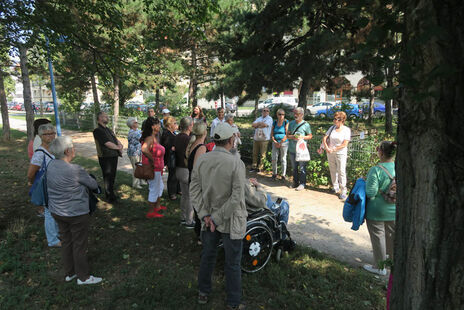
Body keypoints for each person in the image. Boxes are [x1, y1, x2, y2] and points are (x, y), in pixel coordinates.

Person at [190, 122, 246, 310]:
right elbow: (237, 196)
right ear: (231, 140)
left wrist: (205, 215)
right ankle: (233, 302)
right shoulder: (236, 163)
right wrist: (214, 217)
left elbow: (194, 190)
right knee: (232, 262)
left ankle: (203, 292)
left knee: (208, 255)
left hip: (209, 219)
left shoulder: (203, 159)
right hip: (228, 219)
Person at [47, 136, 102, 285]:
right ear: (67, 151)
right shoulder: (75, 169)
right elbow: (92, 184)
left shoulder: (51, 165)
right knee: (79, 245)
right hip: (76, 213)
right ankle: (83, 277)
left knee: (66, 242)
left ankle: (70, 273)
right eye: (72, 146)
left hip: (57, 211)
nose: (74, 148)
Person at [363, 141, 397, 276]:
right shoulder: (399, 167)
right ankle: (392, 264)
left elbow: (370, 193)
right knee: (391, 237)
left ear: (381, 152)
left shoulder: (376, 170)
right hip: (394, 210)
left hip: (376, 210)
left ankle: (380, 267)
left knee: (378, 237)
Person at [27, 123, 60, 247]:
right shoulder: (39, 153)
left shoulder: (53, 149)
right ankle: (53, 240)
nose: (51, 136)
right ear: (41, 136)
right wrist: (31, 183)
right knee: (49, 212)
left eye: (53, 133)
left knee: (55, 210)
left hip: (55, 184)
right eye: (47, 134)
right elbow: (30, 173)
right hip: (47, 186)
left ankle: (57, 234)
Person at [93, 112, 123, 202]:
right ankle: (110, 197)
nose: (107, 117)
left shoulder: (108, 130)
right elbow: (107, 143)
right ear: (99, 119)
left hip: (113, 156)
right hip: (105, 157)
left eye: (107, 116)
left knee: (112, 176)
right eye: (104, 116)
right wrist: (118, 147)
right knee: (108, 176)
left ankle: (111, 194)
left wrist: (120, 145)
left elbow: (115, 139)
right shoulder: (98, 130)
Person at [141, 117, 166, 219]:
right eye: (158, 124)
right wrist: (152, 160)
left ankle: (157, 206)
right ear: (152, 126)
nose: (160, 126)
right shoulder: (150, 138)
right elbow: (144, 149)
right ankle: (151, 212)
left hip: (158, 168)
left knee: (159, 187)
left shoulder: (154, 137)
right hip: (153, 169)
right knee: (154, 189)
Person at [186, 122, 208, 238]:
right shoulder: (201, 147)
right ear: (204, 132)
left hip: (192, 179)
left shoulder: (194, 143)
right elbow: (197, 168)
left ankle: (199, 232)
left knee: (197, 208)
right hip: (197, 182)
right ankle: (200, 235)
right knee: (200, 209)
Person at [322, 111, 351, 200]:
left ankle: (343, 190)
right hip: (330, 152)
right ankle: (335, 187)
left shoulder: (346, 130)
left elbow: (345, 144)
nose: (334, 120)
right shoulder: (332, 128)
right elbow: (325, 137)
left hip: (340, 153)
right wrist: (326, 147)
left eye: (336, 119)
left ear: (342, 120)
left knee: (341, 171)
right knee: (332, 170)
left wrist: (334, 149)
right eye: (334, 118)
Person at [174, 116, 194, 227]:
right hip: (186, 169)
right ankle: (189, 221)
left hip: (178, 168)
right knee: (190, 196)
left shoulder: (177, 137)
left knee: (184, 195)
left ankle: (183, 217)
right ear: (189, 126)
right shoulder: (188, 139)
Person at [287, 107, 312, 191]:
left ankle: (302, 184)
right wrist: (293, 136)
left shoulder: (306, 124)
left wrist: (302, 137)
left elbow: (310, 136)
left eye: (297, 114)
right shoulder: (291, 123)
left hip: (301, 151)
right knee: (294, 167)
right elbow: (288, 135)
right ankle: (295, 182)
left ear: (301, 114)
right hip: (292, 149)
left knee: (302, 168)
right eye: (294, 113)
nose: (295, 115)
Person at [160, 116, 179, 200]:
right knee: (172, 176)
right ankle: (171, 193)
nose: (176, 125)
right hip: (170, 158)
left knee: (176, 175)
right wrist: (174, 147)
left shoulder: (173, 133)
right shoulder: (166, 133)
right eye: (174, 123)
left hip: (174, 157)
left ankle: (177, 190)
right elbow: (167, 146)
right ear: (169, 125)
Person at [249, 107, 273, 172]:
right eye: (264, 110)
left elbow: (265, 125)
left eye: (267, 111)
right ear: (262, 111)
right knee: (255, 153)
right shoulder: (259, 118)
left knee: (263, 154)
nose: (265, 112)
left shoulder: (270, 119)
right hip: (256, 138)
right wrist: (259, 124)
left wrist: (258, 124)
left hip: (264, 139)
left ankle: (260, 168)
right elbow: (253, 125)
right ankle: (254, 166)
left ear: (268, 112)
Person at [270, 108, 289, 180]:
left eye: (283, 114)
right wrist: (274, 141)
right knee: (274, 158)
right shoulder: (274, 122)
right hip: (275, 142)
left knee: (283, 158)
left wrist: (280, 142)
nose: (281, 116)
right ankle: (274, 173)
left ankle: (283, 175)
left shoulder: (286, 122)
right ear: (277, 115)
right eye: (280, 114)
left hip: (284, 142)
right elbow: (272, 133)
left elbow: (287, 133)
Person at [126, 117, 143, 189]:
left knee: (139, 167)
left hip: (137, 152)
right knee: (136, 168)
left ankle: (141, 181)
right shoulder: (134, 132)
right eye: (135, 122)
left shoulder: (136, 130)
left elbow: (141, 132)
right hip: (134, 153)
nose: (137, 123)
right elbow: (142, 138)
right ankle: (135, 184)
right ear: (132, 124)